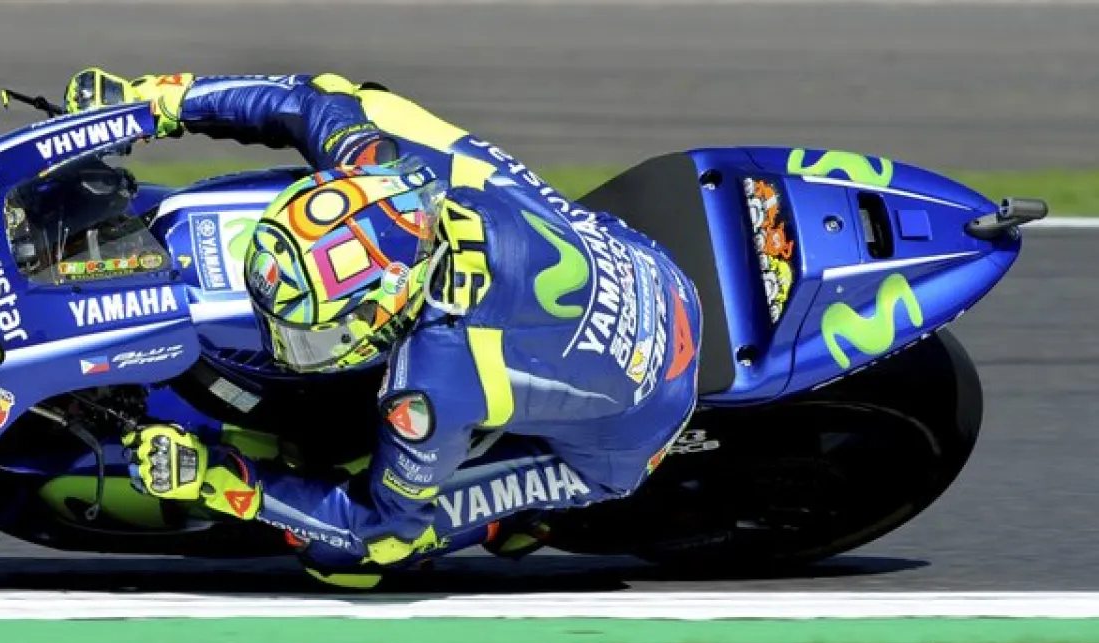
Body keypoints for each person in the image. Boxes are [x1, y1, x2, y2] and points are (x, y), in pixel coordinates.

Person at [63, 68, 703, 589]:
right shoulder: (385, 166)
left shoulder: (429, 388)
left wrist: (216, 478)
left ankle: (514, 518)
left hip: (634, 421)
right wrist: (157, 101)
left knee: (350, 558)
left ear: (387, 307)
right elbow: (311, 99)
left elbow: (378, 523)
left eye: (309, 337)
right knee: (372, 102)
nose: (289, 349)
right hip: (641, 260)